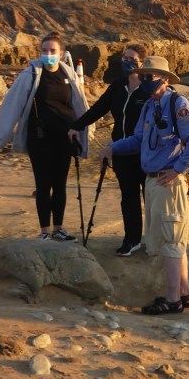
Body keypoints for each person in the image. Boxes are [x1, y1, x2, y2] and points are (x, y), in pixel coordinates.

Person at [100, 56, 189, 315]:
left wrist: (179, 168)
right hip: (154, 181)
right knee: (172, 241)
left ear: (165, 79)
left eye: (151, 76)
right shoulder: (149, 106)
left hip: (167, 182)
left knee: (171, 240)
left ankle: (172, 300)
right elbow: (138, 139)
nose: (146, 80)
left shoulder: (177, 103)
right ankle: (183, 293)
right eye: (144, 76)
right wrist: (112, 147)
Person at [0, 31, 89, 240]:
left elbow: (80, 103)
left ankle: (59, 228)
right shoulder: (31, 74)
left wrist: (85, 131)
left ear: (61, 52)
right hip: (40, 138)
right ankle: (44, 231)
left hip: (65, 138)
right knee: (43, 184)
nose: (48, 54)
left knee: (60, 184)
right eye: (44, 50)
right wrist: (2, 135)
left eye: (52, 51)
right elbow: (13, 103)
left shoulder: (68, 73)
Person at [68, 44, 150, 256]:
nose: (127, 61)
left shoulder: (150, 88)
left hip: (146, 153)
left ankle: (156, 240)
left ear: (142, 63)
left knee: (151, 198)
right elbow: (98, 109)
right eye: (124, 57)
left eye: (131, 58)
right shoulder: (118, 85)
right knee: (129, 197)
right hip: (121, 151)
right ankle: (132, 240)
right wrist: (77, 125)